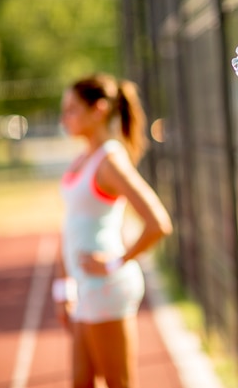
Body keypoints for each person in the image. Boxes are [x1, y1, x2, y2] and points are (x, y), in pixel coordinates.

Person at [52, 73, 173, 388]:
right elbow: (71, 224)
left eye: (72, 109)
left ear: (99, 110)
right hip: (85, 287)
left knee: (119, 383)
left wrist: (113, 262)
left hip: (105, 287)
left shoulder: (110, 162)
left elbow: (158, 223)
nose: (64, 117)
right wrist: (63, 287)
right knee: (81, 382)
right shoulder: (83, 158)